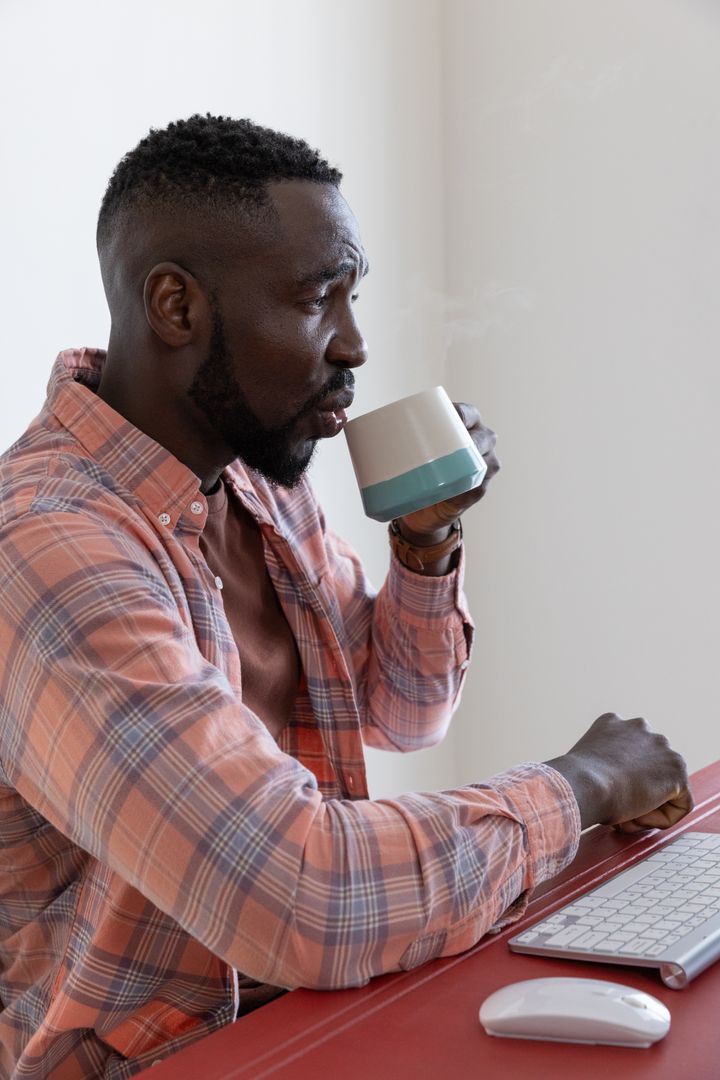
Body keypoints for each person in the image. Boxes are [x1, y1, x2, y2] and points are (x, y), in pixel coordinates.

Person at [0, 114, 691, 1080]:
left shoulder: (256, 473)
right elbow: (304, 898)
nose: (355, 344)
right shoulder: (45, 548)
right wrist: (583, 784)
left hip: (300, 1019)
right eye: (319, 298)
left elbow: (401, 713)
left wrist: (424, 539)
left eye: (353, 295)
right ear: (175, 306)